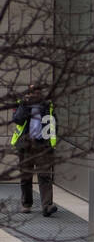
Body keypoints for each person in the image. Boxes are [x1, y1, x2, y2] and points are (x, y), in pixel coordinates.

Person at [11, 82, 57, 216]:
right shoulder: (23, 104)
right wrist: (25, 105)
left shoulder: (47, 105)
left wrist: (51, 144)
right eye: (33, 91)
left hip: (42, 144)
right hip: (25, 144)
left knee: (45, 175)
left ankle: (47, 206)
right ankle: (26, 204)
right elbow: (18, 120)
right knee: (26, 176)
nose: (36, 93)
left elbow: (53, 124)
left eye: (38, 91)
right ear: (28, 93)